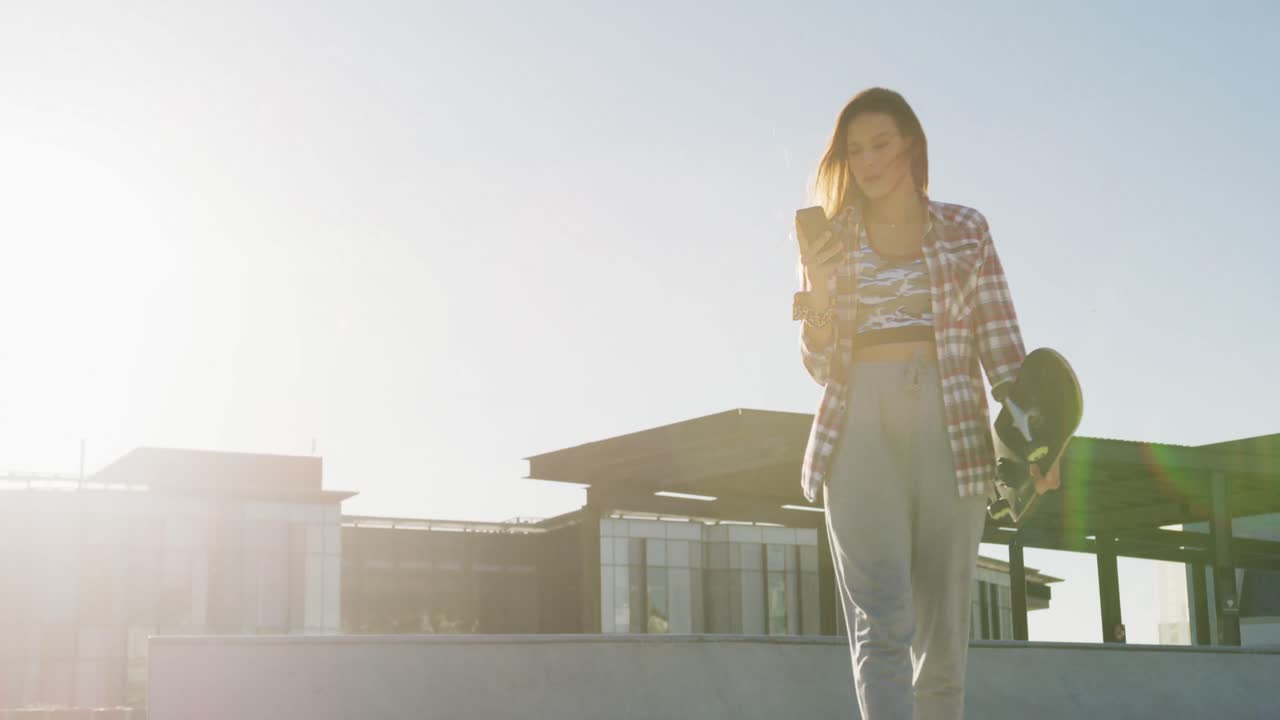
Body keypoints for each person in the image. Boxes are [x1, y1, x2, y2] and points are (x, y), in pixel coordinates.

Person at [791, 87, 1060, 719]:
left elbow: (1002, 347)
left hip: (952, 425)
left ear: (910, 144)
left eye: (881, 143)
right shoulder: (829, 237)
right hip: (857, 425)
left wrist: (1038, 446)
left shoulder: (967, 229)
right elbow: (818, 362)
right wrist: (820, 287)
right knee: (879, 625)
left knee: (943, 642)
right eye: (856, 151)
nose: (870, 160)